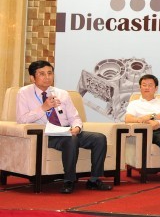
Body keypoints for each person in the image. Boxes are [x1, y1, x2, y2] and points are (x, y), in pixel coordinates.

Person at [16, 60, 111, 194]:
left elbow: (74, 117)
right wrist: (43, 108)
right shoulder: (24, 93)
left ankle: (94, 180)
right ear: (32, 78)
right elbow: (21, 119)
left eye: (50, 73)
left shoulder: (62, 93)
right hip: (46, 134)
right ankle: (69, 180)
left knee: (99, 138)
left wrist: (77, 128)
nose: (47, 77)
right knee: (71, 140)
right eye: (42, 74)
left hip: (66, 130)